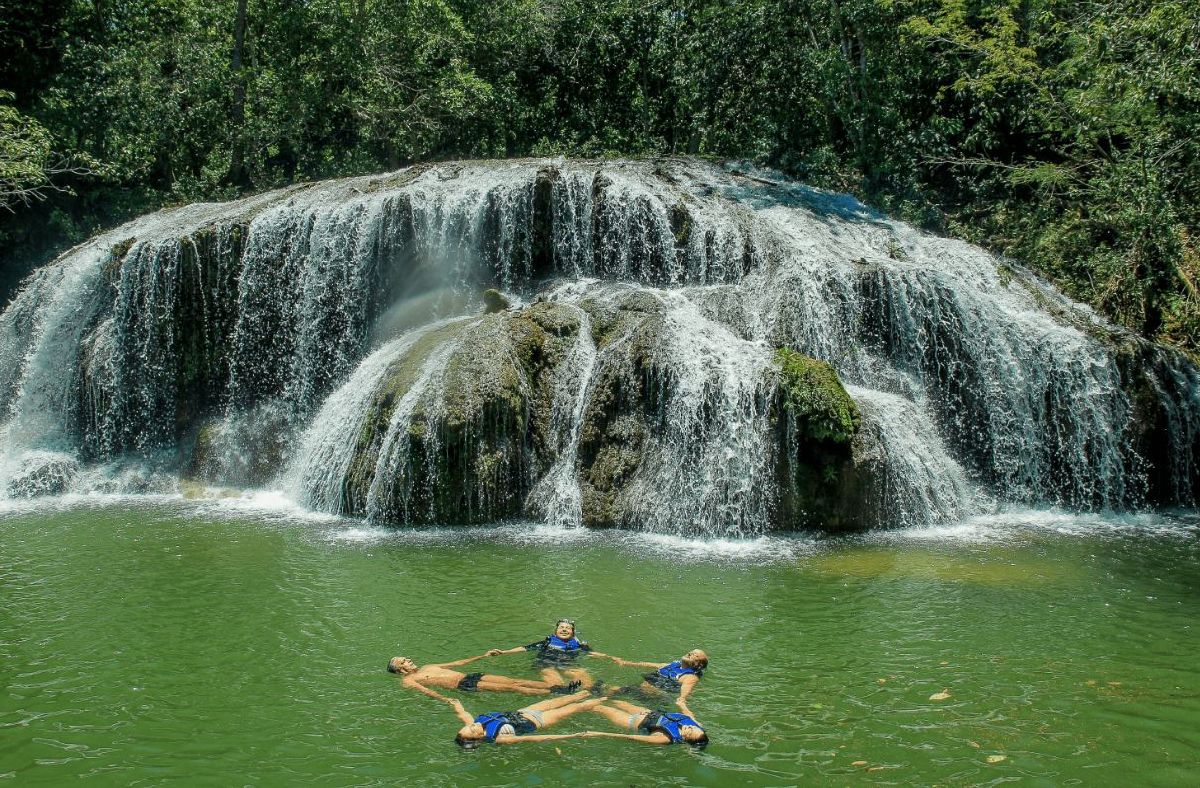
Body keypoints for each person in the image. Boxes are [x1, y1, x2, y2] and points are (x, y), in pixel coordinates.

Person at [441, 689, 606, 748]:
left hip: (524, 712)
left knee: (563, 699)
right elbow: (533, 739)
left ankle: (593, 691)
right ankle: (608, 697)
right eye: (472, 729)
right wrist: (570, 736)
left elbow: (464, 715)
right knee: (577, 707)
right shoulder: (498, 738)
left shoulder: (476, 724)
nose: (473, 725)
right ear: (478, 737)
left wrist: (455, 703)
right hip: (539, 721)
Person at [387, 654, 579, 698]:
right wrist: (447, 700)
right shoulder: (409, 681)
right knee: (512, 688)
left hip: (470, 675)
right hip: (464, 686)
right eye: (403, 661)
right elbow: (427, 692)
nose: (408, 660)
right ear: (399, 670)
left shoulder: (429, 665)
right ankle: (554, 693)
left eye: (406, 658)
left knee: (514, 681)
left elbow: (458, 663)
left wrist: (484, 655)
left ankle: (559, 688)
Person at [592, 648, 707, 716]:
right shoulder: (673, 665)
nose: (691, 653)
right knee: (617, 691)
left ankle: (599, 700)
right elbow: (649, 664)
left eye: (695, 655)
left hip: (653, 698)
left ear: (698, 664)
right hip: (642, 690)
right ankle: (600, 698)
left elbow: (684, 693)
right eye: (691, 652)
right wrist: (626, 663)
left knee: (622, 694)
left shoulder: (690, 677)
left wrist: (683, 703)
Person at [486, 619, 594, 687]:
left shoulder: (579, 645)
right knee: (558, 685)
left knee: (585, 679)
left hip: (567, 664)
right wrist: (504, 652)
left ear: (573, 633)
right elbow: (526, 648)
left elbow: (593, 654)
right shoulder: (547, 642)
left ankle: (588, 694)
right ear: (555, 632)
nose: (564, 629)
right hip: (545, 663)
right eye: (561, 627)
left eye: (568, 628)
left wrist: (608, 657)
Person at [582, 698, 709, 747]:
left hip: (631, 721)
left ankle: (576, 705)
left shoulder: (665, 738)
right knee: (612, 699)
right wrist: (683, 704)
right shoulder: (694, 725)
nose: (691, 726)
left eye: (691, 730)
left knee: (598, 708)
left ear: (685, 738)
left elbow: (631, 738)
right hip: (647, 712)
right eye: (695, 727)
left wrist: (599, 733)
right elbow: (689, 716)